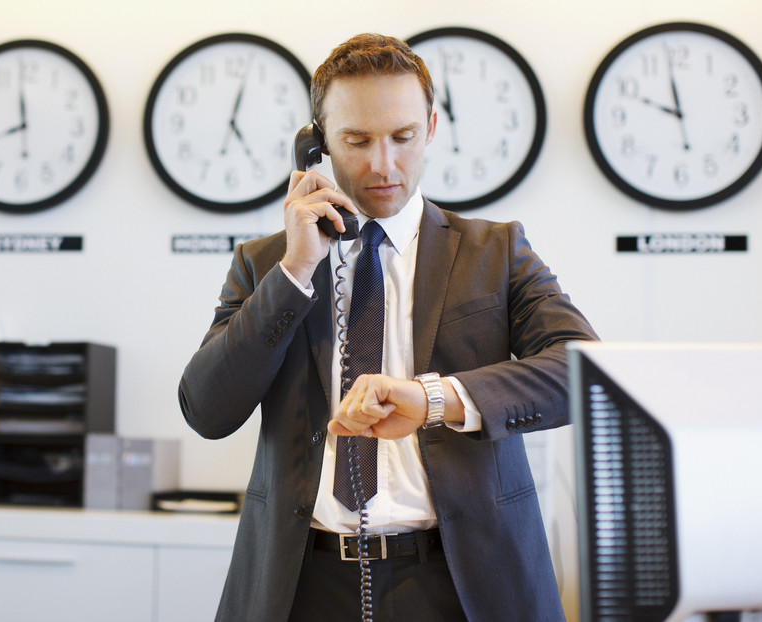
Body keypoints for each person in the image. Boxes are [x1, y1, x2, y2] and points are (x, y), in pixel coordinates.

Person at [178, 33, 597, 622]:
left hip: (464, 581)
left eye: (402, 137)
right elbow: (207, 410)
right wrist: (295, 272)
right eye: (356, 140)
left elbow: (582, 371)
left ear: (431, 127)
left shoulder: (495, 252)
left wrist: (434, 398)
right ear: (318, 144)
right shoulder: (266, 263)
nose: (383, 164)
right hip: (303, 583)